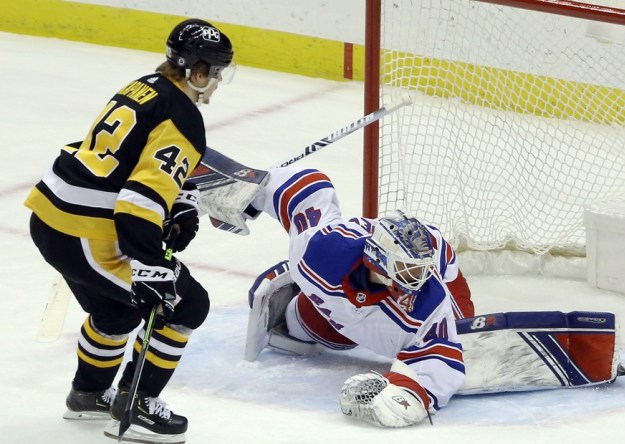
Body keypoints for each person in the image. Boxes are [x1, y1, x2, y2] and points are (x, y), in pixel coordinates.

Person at [25, 18, 234, 443]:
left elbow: (128, 161)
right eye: (215, 74)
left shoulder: (143, 86)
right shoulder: (185, 118)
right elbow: (138, 202)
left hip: (52, 216)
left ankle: (88, 395)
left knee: (117, 311)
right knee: (187, 304)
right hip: (83, 233)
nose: (215, 84)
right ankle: (137, 406)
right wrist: (150, 263)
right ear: (196, 72)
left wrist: (179, 201)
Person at [245, 166, 475, 428]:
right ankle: (295, 294)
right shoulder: (322, 253)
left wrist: (406, 395)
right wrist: (253, 189)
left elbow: (440, 363)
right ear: (380, 259)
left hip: (412, 278)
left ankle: (462, 327)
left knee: (460, 332)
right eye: (407, 270)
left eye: (420, 270)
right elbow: (310, 189)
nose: (417, 281)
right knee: (307, 329)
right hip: (336, 302)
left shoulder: (429, 300)